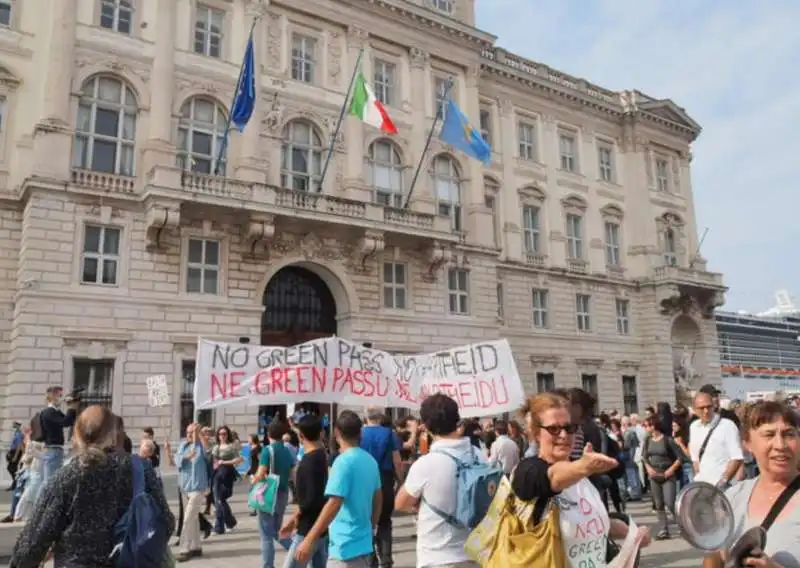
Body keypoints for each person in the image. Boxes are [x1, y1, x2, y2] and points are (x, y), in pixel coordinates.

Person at [9, 405, 174, 567]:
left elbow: (31, 545)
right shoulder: (141, 469)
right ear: (113, 435)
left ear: (77, 437)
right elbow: (166, 522)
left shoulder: (67, 476)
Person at [512, 393, 650, 568]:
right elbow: (551, 476)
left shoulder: (581, 477)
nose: (564, 435)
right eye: (554, 429)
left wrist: (632, 533)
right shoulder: (527, 471)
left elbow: (591, 523)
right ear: (537, 433)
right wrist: (584, 466)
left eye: (569, 428)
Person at [703, 400, 800, 567]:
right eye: (769, 435)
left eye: (789, 434)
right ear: (747, 444)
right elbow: (714, 557)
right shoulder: (733, 496)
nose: (780, 445)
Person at [395, 393, 483, 567]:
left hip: (438, 556)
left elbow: (400, 504)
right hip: (475, 553)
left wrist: (419, 504)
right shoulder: (478, 455)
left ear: (427, 426)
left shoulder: (426, 464)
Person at [295, 410, 381, 568]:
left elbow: (334, 503)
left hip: (344, 546)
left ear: (336, 432)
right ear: (360, 432)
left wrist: (309, 539)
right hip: (364, 545)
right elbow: (377, 499)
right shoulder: (371, 461)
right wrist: (371, 526)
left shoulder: (342, 463)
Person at [279, 414, 329, 568]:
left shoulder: (308, 463)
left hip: (308, 529)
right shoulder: (321, 455)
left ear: (301, 436)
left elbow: (308, 501)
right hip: (321, 529)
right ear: (321, 433)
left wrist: (294, 519)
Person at [359, 408, 402, 568]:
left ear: (366, 417)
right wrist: (401, 479)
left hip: (364, 481)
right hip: (384, 479)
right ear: (380, 416)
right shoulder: (389, 433)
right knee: (385, 521)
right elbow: (396, 459)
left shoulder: (360, 434)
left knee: (366, 521)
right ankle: (386, 559)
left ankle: (371, 559)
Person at [252, 421, 294, 568]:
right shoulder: (287, 450)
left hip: (268, 495)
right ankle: (295, 550)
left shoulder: (267, 450)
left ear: (268, 434)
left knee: (266, 535)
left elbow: (261, 472)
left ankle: (268, 566)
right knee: (276, 531)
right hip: (282, 493)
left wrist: (254, 478)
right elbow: (291, 473)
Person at [689, 391, 743, 488]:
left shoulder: (727, 425)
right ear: (694, 410)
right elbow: (695, 459)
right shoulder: (693, 427)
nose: (706, 411)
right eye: (701, 408)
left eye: (708, 407)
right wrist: (698, 477)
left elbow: (736, 457)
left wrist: (723, 481)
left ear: (714, 406)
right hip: (702, 486)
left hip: (722, 487)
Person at [642, 416, 683, 540]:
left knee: (670, 502)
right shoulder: (647, 440)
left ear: (653, 426)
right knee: (659, 504)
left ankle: (683, 525)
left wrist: (671, 470)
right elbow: (644, 457)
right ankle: (663, 530)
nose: (646, 428)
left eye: (647, 425)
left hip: (667, 475)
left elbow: (680, 457)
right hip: (654, 475)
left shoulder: (667, 440)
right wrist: (648, 468)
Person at [176, 422, 211, 563]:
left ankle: (185, 548)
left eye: (192, 432)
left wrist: (200, 435)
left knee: (188, 518)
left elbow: (209, 453)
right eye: (188, 432)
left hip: (198, 487)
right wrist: (186, 457)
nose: (189, 434)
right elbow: (177, 461)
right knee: (194, 518)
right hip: (185, 487)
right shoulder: (183, 445)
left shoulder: (201, 445)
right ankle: (196, 546)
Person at [36, 386, 79, 484]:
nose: (62, 397)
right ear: (51, 397)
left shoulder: (54, 411)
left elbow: (70, 421)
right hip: (53, 450)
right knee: (51, 483)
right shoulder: (49, 412)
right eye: (59, 395)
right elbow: (66, 422)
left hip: (54, 450)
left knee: (50, 482)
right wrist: (71, 407)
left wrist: (72, 406)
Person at [211, 425, 243, 535]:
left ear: (227, 434)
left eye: (224, 433)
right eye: (220, 434)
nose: (222, 436)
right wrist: (215, 464)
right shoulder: (216, 447)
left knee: (221, 499)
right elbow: (214, 461)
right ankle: (220, 526)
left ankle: (229, 522)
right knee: (218, 500)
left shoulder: (232, 446)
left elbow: (239, 459)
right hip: (217, 475)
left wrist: (224, 462)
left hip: (228, 474)